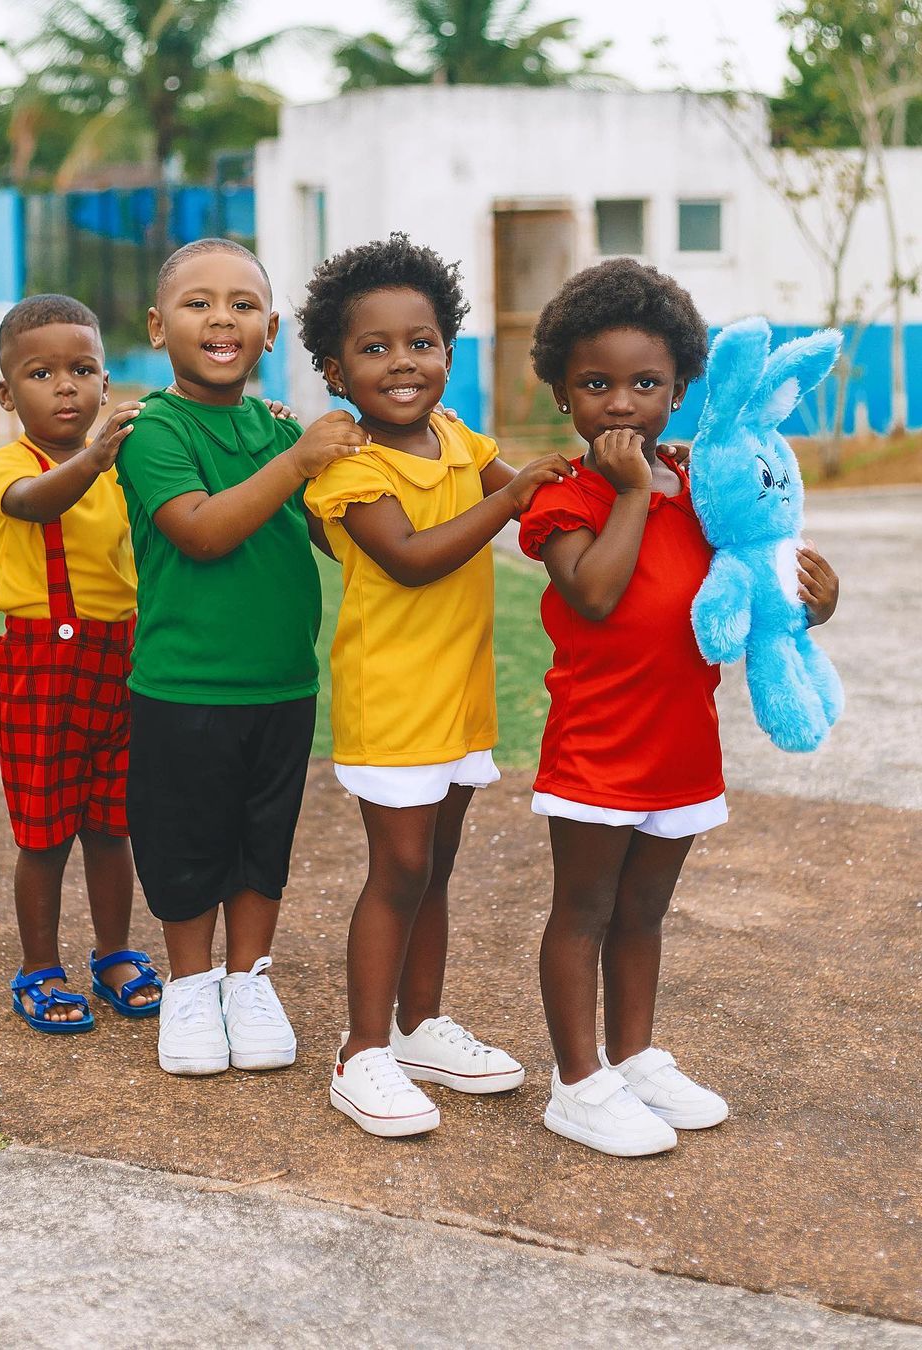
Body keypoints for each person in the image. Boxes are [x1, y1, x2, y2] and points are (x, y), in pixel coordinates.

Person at [518, 258, 840, 1155]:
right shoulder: (563, 494)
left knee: (645, 914)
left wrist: (813, 598)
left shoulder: (703, 486)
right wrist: (628, 492)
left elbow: (749, 583)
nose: (621, 403)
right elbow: (593, 594)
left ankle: (633, 1057)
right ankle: (577, 1082)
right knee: (581, 910)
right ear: (562, 394)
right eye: (596, 383)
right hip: (598, 744)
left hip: (682, 741)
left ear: (681, 390)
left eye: (645, 383)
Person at [298, 232, 572, 1137]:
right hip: (391, 700)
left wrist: (606, 485)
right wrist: (509, 496)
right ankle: (360, 1053)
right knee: (400, 867)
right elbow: (412, 560)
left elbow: (537, 505)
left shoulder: (459, 436)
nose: (402, 363)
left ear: (449, 352)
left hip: (459, 699)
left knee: (438, 869)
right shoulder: (350, 467)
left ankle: (418, 1028)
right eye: (373, 349)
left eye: (420, 342)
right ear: (336, 372)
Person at [115, 238, 363, 1078]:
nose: (222, 317)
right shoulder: (155, 429)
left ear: (271, 331)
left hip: (282, 683)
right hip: (183, 687)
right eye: (198, 303)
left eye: (243, 305)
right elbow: (202, 531)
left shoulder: (282, 429)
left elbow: (336, 538)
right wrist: (297, 462)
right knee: (186, 844)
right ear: (158, 326)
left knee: (264, 844)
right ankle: (190, 985)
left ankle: (248, 980)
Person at [0, 293, 162, 1034]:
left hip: (118, 658)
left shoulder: (123, 471)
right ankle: (38, 965)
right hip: (40, 666)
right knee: (45, 829)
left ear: (105, 385)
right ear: (6, 393)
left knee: (111, 824)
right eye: (41, 373)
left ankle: (114, 950)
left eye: (82, 369)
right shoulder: (8, 466)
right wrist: (93, 457)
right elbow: (35, 504)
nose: (65, 386)